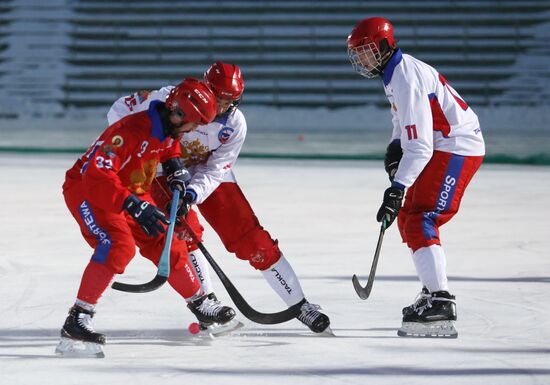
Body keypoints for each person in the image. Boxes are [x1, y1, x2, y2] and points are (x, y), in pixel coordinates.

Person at [107, 61, 331, 334]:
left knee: (252, 239)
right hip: (163, 172)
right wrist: (148, 152)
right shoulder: (170, 98)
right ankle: (207, 304)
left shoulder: (235, 124)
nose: (222, 108)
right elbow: (119, 110)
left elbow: (216, 169)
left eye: (230, 101)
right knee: (185, 232)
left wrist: (193, 192)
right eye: (219, 99)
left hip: (203, 175)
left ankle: (300, 304)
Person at [56, 78, 236, 358]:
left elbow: (167, 147)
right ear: (179, 115)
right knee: (119, 246)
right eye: (196, 122)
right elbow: (97, 173)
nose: (196, 129)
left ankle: (200, 303)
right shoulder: (127, 131)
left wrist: (175, 167)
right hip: (90, 189)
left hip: (131, 189)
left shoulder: (166, 127)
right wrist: (132, 205)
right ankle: (78, 318)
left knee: (168, 240)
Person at [347, 17, 485, 338]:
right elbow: (404, 120)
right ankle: (431, 290)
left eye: (366, 51)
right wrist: (396, 147)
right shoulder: (394, 71)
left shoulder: (405, 75)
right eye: (358, 53)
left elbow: (421, 145)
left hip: (456, 145)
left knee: (422, 217)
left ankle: (440, 300)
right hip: (444, 143)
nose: (362, 59)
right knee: (409, 216)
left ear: (383, 46)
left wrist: (398, 187)